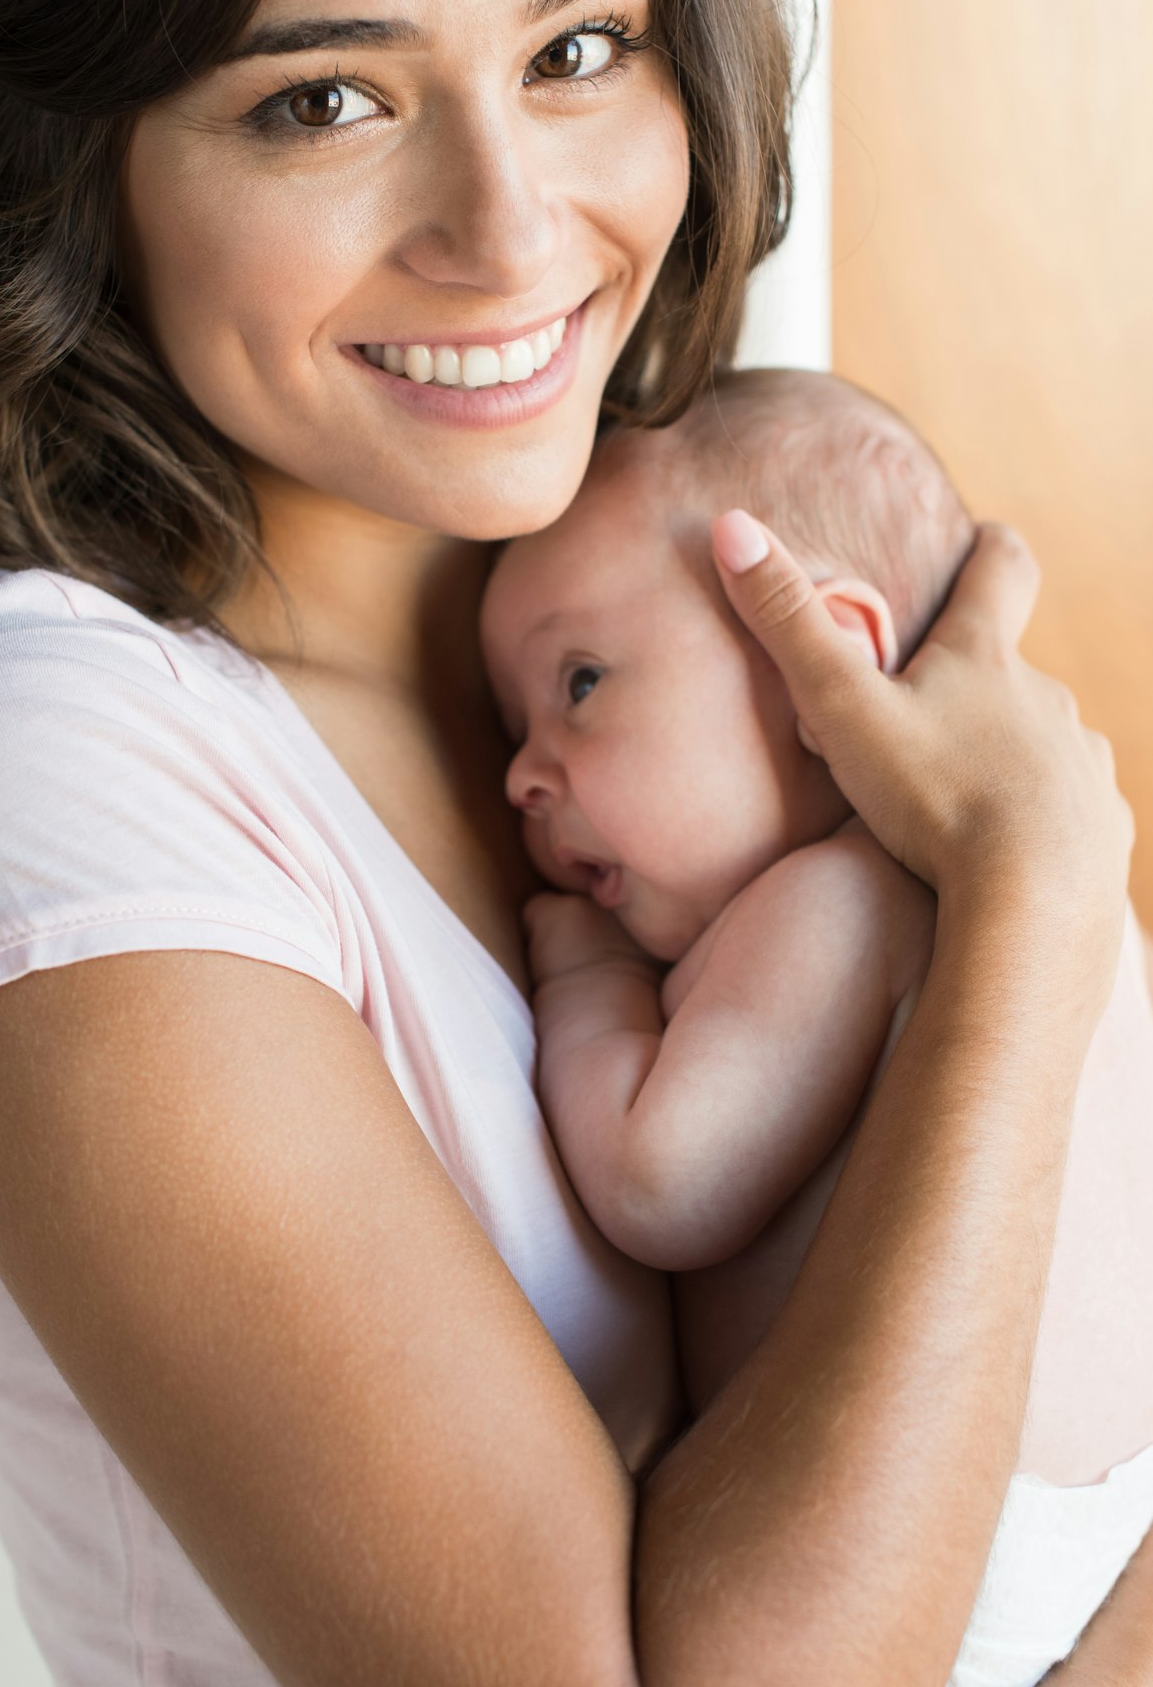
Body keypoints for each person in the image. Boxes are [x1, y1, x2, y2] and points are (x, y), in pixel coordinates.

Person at [0, 0, 1147, 1681]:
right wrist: (1031, 909)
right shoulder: (44, 745)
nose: (510, 230)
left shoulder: (663, 604)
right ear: (66, 162)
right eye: (321, 98)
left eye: (575, 48)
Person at [480, 366, 1153, 1686]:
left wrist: (584, 983)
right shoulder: (1062, 878)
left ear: (819, 662)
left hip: (950, 1562)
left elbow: (657, 1180)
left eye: (582, 680)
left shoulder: (846, 903)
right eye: (515, 720)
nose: (521, 771)